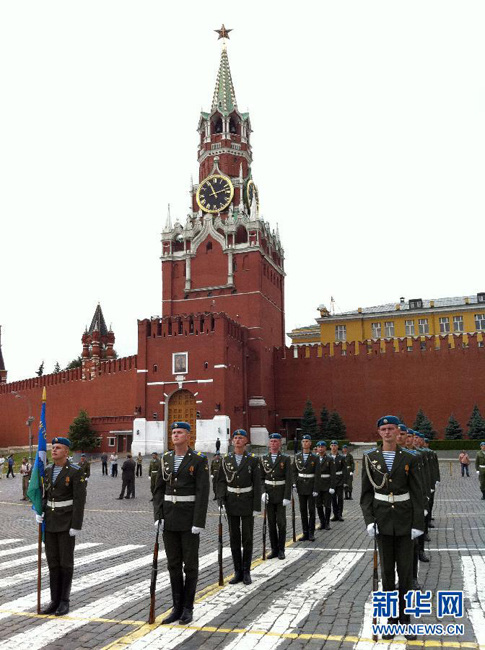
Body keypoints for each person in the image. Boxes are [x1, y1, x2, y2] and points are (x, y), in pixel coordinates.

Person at [361, 416, 424, 640]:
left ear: (398, 431)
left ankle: (406, 622)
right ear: (379, 432)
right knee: (387, 575)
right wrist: (369, 520)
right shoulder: (370, 458)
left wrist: (418, 524)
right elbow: (366, 494)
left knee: (405, 574)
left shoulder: (409, 458)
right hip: (382, 521)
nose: (387, 432)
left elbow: (417, 493)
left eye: (391, 428)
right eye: (383, 429)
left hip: (405, 522)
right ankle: (390, 621)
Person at [153, 421, 209, 625]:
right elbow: (158, 489)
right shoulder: (165, 459)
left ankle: (188, 608)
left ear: (188, 435)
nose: (175, 435)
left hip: (189, 519)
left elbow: (203, 492)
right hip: (169, 518)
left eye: (179, 432)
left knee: (190, 565)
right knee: (173, 564)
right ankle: (176, 607)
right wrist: (158, 516)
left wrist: (199, 521)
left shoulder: (199, 459)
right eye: (173, 432)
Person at [38, 436, 87, 616]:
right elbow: (46, 495)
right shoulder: (49, 470)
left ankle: (64, 601)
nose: (54, 450)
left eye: (58, 448)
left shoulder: (75, 471)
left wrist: (76, 525)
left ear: (66, 451)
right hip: (50, 522)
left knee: (66, 563)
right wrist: (40, 511)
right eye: (53, 447)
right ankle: (54, 600)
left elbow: (80, 501)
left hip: (66, 523)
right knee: (53, 563)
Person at [217, 429, 261, 585]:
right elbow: (220, 480)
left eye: (240, 438)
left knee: (247, 538)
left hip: (247, 500)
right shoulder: (226, 459)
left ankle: (247, 571)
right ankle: (237, 571)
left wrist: (257, 506)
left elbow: (257, 483)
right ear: (232, 441)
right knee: (234, 537)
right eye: (235, 438)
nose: (237, 440)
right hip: (231, 502)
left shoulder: (253, 460)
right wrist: (221, 499)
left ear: (246, 441)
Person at [260, 433, 292, 559]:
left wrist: (287, 496)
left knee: (281, 523)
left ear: (280, 443)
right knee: (271, 523)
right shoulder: (263, 458)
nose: (273, 443)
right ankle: (274, 549)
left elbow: (288, 478)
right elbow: (261, 478)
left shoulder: (285, 459)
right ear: (269, 443)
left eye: (276, 441)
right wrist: (263, 492)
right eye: (271, 441)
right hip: (269, 494)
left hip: (280, 494)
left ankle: (281, 549)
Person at [292, 433, 319, 541]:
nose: (305, 443)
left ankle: (311, 533)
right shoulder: (297, 457)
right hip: (301, 486)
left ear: (310, 443)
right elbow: (294, 471)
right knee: (302, 510)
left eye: (307, 441)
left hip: (311, 486)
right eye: (303, 441)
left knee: (311, 510)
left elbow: (317, 474)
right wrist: (294, 483)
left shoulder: (315, 457)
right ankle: (305, 532)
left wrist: (316, 488)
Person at [314, 441, 335, 530]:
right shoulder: (314, 458)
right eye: (319, 447)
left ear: (325, 448)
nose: (320, 449)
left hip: (327, 485)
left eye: (322, 447)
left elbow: (333, 474)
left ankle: (327, 523)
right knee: (318, 505)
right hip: (317, 485)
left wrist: (332, 486)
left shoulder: (329, 459)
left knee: (327, 505)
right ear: (317, 448)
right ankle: (322, 522)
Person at [329, 440, 345, 521]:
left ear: (337, 447)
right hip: (331, 481)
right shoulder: (327, 457)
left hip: (340, 480)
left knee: (340, 498)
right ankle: (335, 514)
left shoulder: (341, 457)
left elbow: (345, 470)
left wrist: (345, 482)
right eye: (332, 445)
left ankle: (340, 514)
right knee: (333, 498)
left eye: (335, 445)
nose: (334, 447)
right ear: (330, 447)